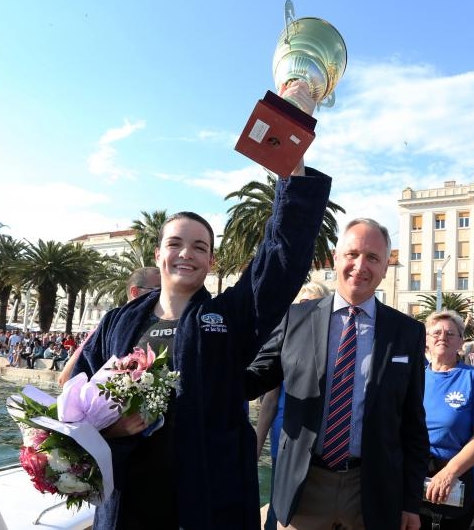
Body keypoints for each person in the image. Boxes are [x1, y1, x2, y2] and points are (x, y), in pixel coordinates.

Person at [72, 79, 331, 530]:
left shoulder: (228, 317)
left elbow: (280, 259)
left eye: (198, 247)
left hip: (205, 502)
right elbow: (76, 396)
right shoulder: (118, 321)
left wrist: (292, 163)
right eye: (175, 243)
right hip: (128, 502)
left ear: (211, 261)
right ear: (158, 254)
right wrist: (110, 432)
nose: (185, 254)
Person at [246, 218, 429, 530]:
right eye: (352, 254)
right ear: (336, 258)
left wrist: (411, 502)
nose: (360, 265)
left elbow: (413, 423)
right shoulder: (295, 319)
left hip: (371, 489)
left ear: (386, 268)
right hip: (305, 488)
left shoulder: (408, 332)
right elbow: (252, 379)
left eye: (373, 258)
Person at [255, 281, 330, 530]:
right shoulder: (286, 343)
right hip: (285, 438)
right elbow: (269, 401)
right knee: (279, 503)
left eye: (312, 303)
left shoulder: (334, 345)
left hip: (323, 444)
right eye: (301, 304)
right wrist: (256, 445)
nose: (305, 309)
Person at [422, 311, 474, 530]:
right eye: (436, 332)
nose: (442, 337)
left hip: (458, 482)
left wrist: (448, 473)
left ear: (460, 342)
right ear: (427, 340)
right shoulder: (415, 377)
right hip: (416, 480)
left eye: (450, 333)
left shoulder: (473, 377)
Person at [57, 267, 161, 386]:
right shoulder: (110, 323)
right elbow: (66, 378)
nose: (163, 293)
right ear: (135, 292)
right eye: (158, 289)